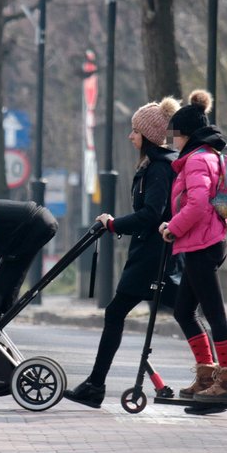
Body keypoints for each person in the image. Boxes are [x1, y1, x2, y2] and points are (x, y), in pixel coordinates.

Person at [64, 96, 181, 408]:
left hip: (152, 257)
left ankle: (95, 385)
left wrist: (114, 224)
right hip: (152, 253)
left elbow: (152, 214)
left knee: (118, 313)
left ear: (147, 136)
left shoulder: (158, 169)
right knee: (186, 311)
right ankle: (95, 384)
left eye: (134, 131)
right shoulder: (157, 166)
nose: (130, 136)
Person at [159, 89, 227, 404]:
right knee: (183, 311)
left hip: (201, 244)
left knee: (214, 314)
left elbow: (197, 205)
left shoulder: (196, 161)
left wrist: (172, 228)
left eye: (175, 137)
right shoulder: (205, 157)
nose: (173, 143)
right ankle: (207, 374)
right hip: (202, 242)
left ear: (187, 135)